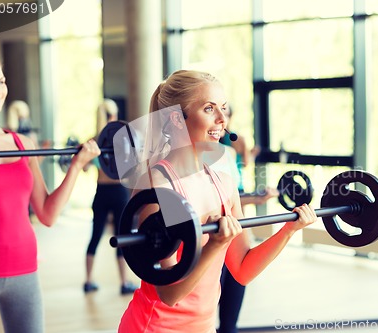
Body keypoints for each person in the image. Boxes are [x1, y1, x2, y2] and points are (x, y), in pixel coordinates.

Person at [117, 69, 317, 333]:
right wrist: (214, 246)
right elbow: (169, 294)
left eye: (223, 108)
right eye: (209, 109)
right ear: (177, 118)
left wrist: (288, 230)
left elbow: (243, 269)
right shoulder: (157, 184)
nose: (223, 119)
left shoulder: (222, 181)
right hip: (155, 326)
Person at [0, 53, 100, 333]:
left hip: (24, 267)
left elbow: (47, 214)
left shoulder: (23, 143)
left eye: (1, 81)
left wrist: (76, 166)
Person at [217, 107, 278, 333]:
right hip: (212, 229)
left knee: (236, 279)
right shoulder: (192, 156)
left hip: (236, 204)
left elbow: (241, 173)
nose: (220, 120)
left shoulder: (232, 147)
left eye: (223, 112)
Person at [83, 99, 138, 295]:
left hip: (101, 192)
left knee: (95, 235)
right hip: (119, 192)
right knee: (122, 236)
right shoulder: (121, 139)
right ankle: (124, 282)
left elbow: (84, 166)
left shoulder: (93, 141)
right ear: (113, 116)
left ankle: (88, 281)